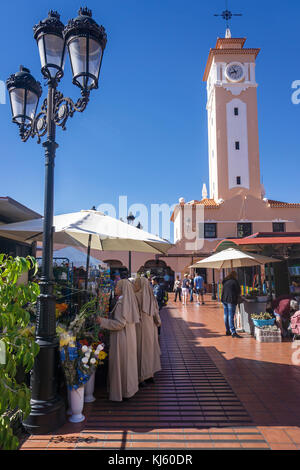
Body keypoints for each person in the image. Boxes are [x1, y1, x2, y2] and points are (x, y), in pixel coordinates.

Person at [97, 279, 140, 402]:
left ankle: (121, 391)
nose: (115, 288)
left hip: (121, 338)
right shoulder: (129, 301)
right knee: (127, 364)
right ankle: (128, 389)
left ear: (121, 289)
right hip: (129, 338)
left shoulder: (121, 303)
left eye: (116, 286)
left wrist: (102, 321)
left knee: (120, 364)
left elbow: (120, 324)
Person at [132, 277, 161, 386]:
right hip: (151, 327)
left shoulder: (135, 296)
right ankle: (150, 374)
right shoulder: (151, 295)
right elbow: (156, 312)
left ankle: (141, 377)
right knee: (150, 350)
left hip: (140, 327)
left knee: (140, 351)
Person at [221, 271, 242, 338]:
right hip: (231, 300)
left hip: (224, 299)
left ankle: (227, 330)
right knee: (231, 316)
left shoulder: (225, 281)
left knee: (226, 315)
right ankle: (233, 332)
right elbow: (238, 291)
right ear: (235, 275)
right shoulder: (234, 281)